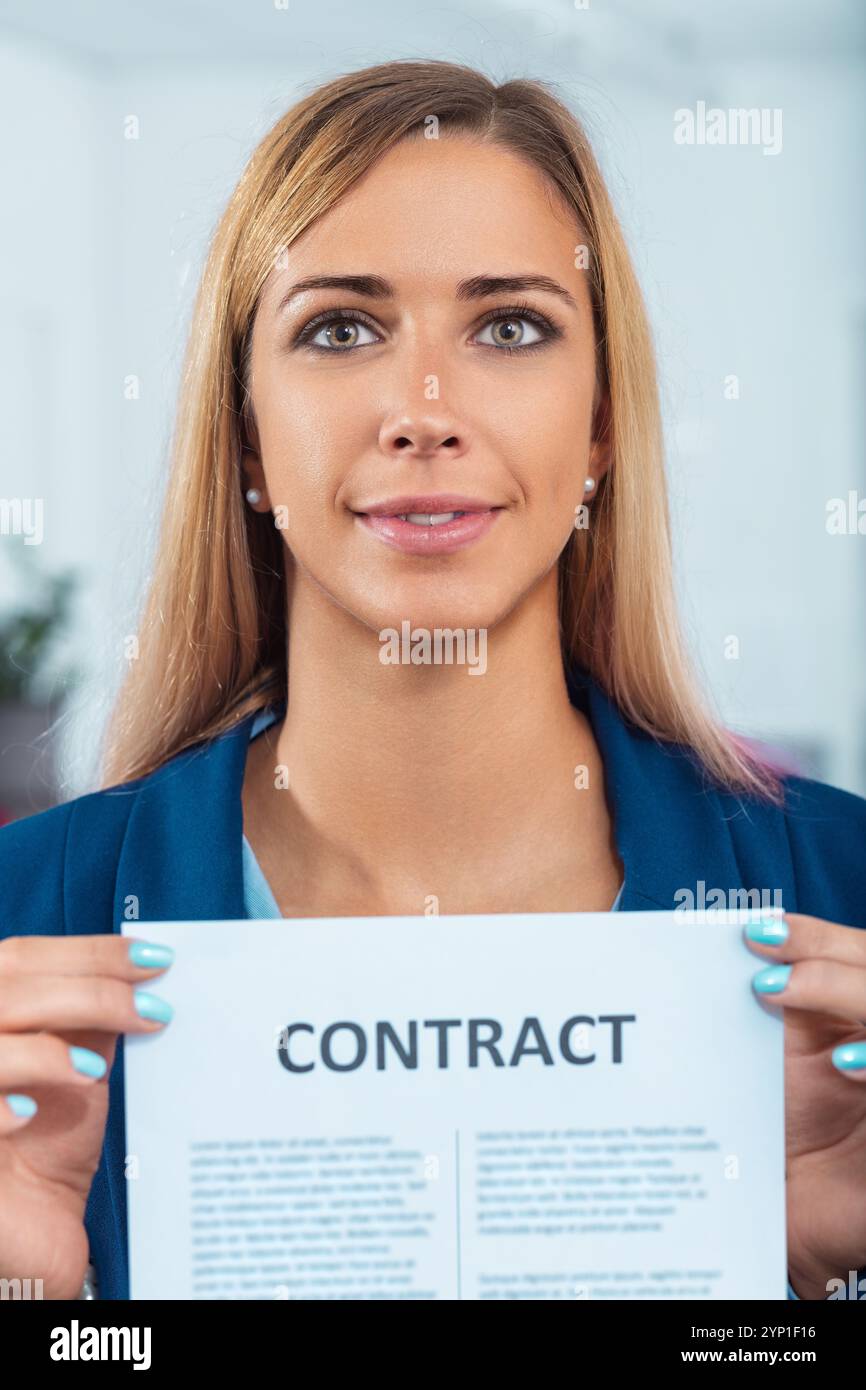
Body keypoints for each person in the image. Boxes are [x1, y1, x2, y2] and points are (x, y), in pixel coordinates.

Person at [1, 59, 864, 1303]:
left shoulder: (842, 903)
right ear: (245, 434)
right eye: (340, 328)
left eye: (508, 326)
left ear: (601, 426)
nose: (424, 410)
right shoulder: (23, 929)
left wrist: (816, 1295)